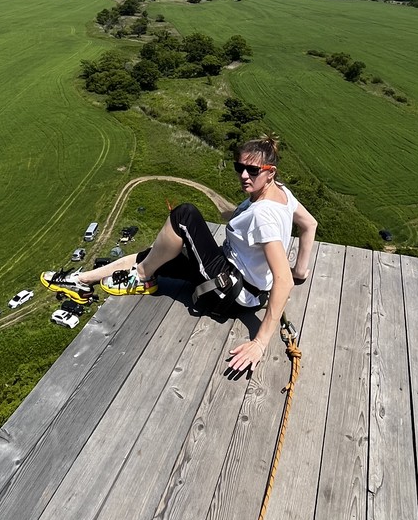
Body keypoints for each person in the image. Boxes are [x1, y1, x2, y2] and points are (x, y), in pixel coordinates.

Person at [45, 136, 317, 373]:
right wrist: (301, 270)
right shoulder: (282, 193)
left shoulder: (263, 215)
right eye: (240, 167)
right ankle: (83, 280)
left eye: (253, 170)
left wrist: (260, 342)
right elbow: (309, 225)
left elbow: (284, 280)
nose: (244, 175)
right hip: (237, 281)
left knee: (184, 215)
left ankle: (140, 277)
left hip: (229, 293)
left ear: (270, 172)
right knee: (159, 254)